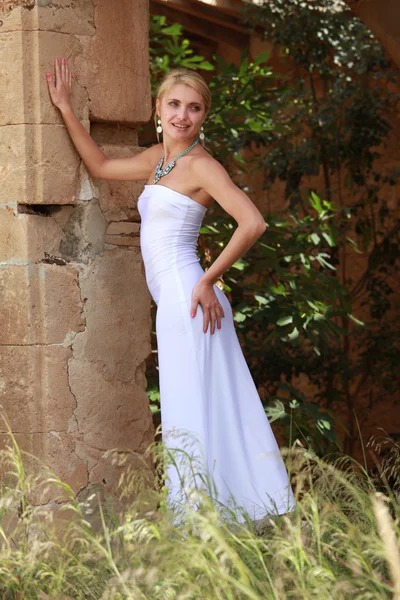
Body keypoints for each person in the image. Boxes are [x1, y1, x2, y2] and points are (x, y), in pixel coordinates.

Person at [46, 58, 295, 524]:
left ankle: (202, 524)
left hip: (191, 299)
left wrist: (207, 279)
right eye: (175, 104)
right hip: (176, 303)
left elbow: (253, 222)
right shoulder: (158, 161)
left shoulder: (202, 166)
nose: (183, 115)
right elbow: (99, 165)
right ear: (158, 108)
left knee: (194, 410)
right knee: (198, 407)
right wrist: (63, 106)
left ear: (204, 116)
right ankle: (218, 520)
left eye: (194, 108)